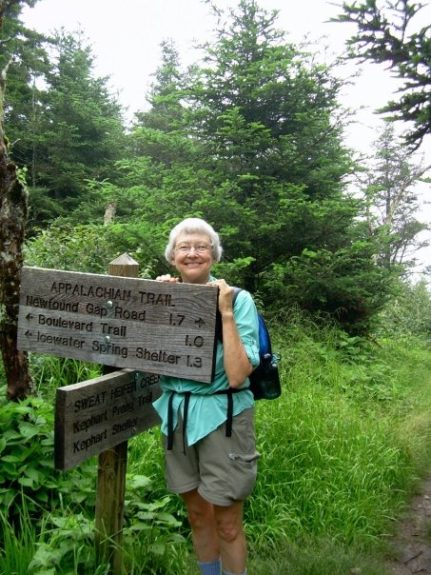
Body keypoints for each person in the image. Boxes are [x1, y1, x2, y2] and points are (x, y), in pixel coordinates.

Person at [153, 217, 260, 575]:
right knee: (198, 515)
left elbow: (236, 375)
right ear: (172, 257)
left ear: (213, 255)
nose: (193, 253)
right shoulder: (163, 295)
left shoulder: (240, 301)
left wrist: (225, 312)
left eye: (201, 246)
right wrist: (157, 303)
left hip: (223, 416)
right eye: (184, 247)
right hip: (178, 416)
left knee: (227, 522)